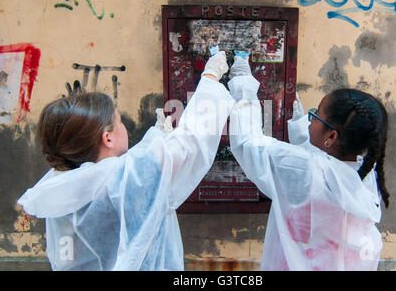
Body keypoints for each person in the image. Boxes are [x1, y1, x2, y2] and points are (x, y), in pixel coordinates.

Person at [17, 51, 234, 271]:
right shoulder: (128, 178)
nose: (123, 127)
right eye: (118, 121)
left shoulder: (60, 182)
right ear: (107, 138)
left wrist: (157, 136)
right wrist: (210, 80)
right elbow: (190, 142)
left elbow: (118, 169)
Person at [228, 55, 389, 270]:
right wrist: (301, 132)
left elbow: (248, 143)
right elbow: (322, 168)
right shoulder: (365, 174)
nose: (310, 119)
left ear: (331, 137)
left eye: (316, 116)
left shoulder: (304, 169)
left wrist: (243, 87)